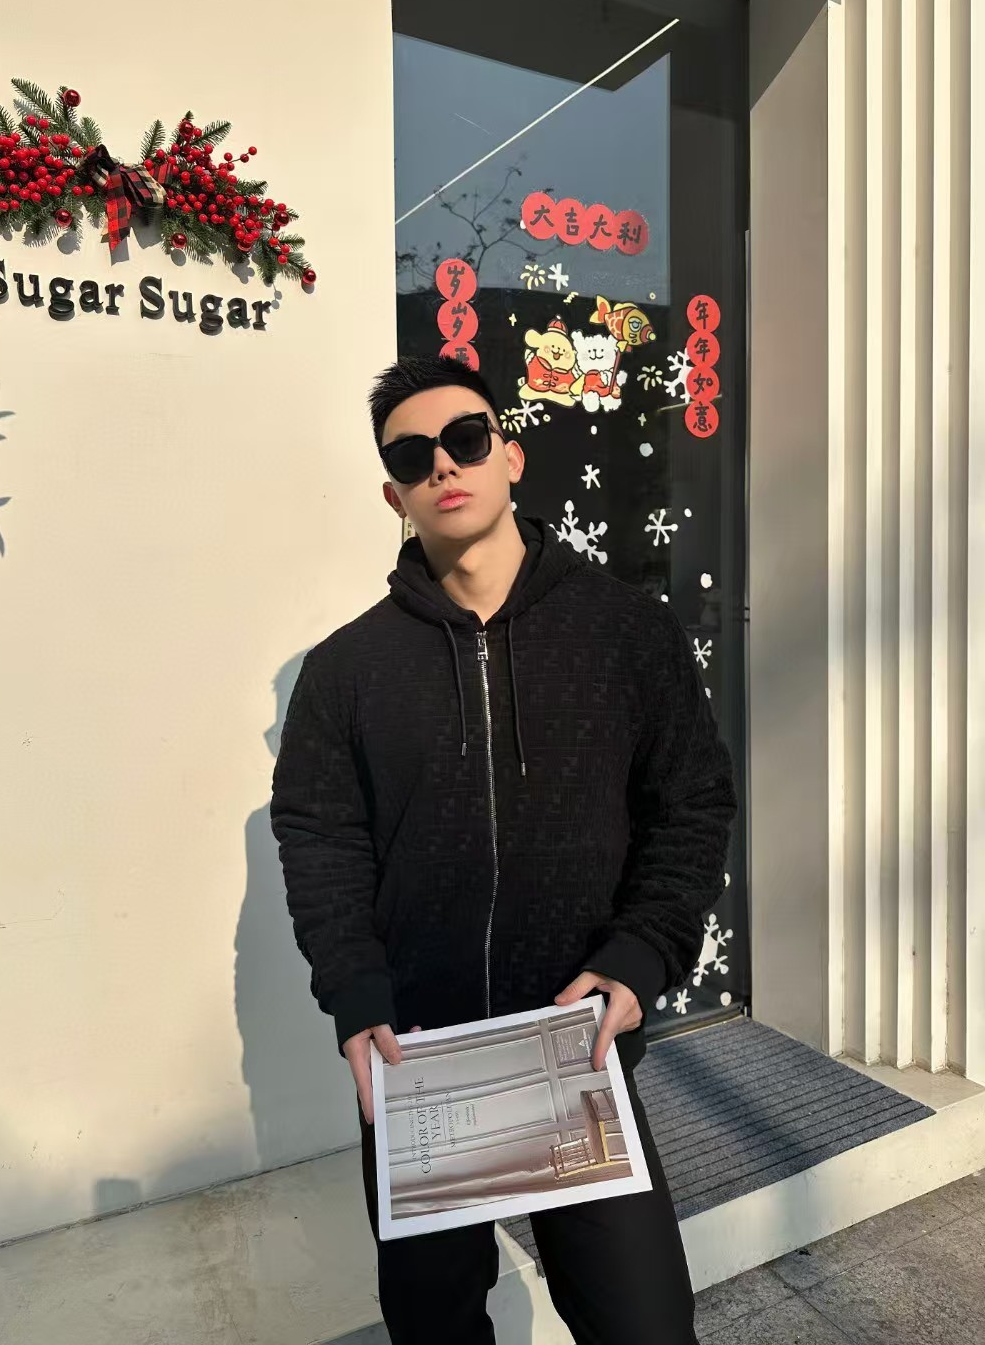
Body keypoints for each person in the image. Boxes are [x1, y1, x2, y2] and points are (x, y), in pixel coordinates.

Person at [270, 355, 737, 1344]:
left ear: (511, 456)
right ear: (394, 494)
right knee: (436, 1326)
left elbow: (692, 805)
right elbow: (319, 839)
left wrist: (640, 955)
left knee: (646, 1323)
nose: (443, 464)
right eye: (412, 455)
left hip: (574, 1041)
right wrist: (356, 996)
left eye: (466, 439)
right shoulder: (347, 670)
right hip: (421, 1056)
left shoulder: (627, 632)